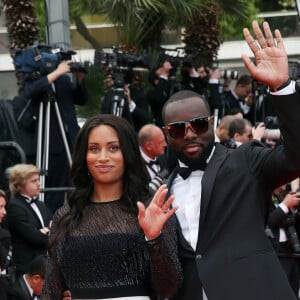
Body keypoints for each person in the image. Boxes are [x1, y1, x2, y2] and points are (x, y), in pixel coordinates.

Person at [161, 20, 300, 299]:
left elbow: (296, 157)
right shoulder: (165, 189)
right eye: (178, 129)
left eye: (198, 125)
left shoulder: (245, 161)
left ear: (212, 123)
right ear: (166, 136)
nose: (189, 134)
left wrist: (282, 88)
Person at [41, 114, 182, 299]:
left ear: (128, 153)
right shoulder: (66, 215)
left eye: (113, 148)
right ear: (84, 155)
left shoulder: (150, 210)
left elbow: (169, 288)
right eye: (94, 149)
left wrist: (153, 239)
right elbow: (51, 290)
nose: (103, 157)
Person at [23, 60, 88, 213]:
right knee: (55, 191)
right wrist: (57, 72)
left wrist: (80, 79)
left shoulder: (64, 80)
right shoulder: (35, 79)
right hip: (51, 144)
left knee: (79, 183)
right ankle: (54, 223)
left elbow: (81, 99)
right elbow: (30, 92)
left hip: (72, 140)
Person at [6, 164, 52, 279]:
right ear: (20, 185)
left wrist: (45, 231)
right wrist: (49, 231)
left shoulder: (41, 205)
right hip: (27, 270)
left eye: (38, 180)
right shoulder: (15, 207)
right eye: (33, 181)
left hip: (46, 266)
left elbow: (57, 226)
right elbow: (36, 238)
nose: (39, 183)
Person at [267, 185, 300, 298]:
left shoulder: (281, 197)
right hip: (276, 255)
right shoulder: (262, 198)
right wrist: (285, 205)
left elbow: (292, 221)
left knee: (293, 294)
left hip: (292, 252)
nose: (283, 187)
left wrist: (294, 208)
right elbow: (270, 221)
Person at [0, 189, 11, 300]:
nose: (4, 212)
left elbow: (3, 263)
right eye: (0, 207)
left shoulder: (4, 235)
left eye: (4, 207)